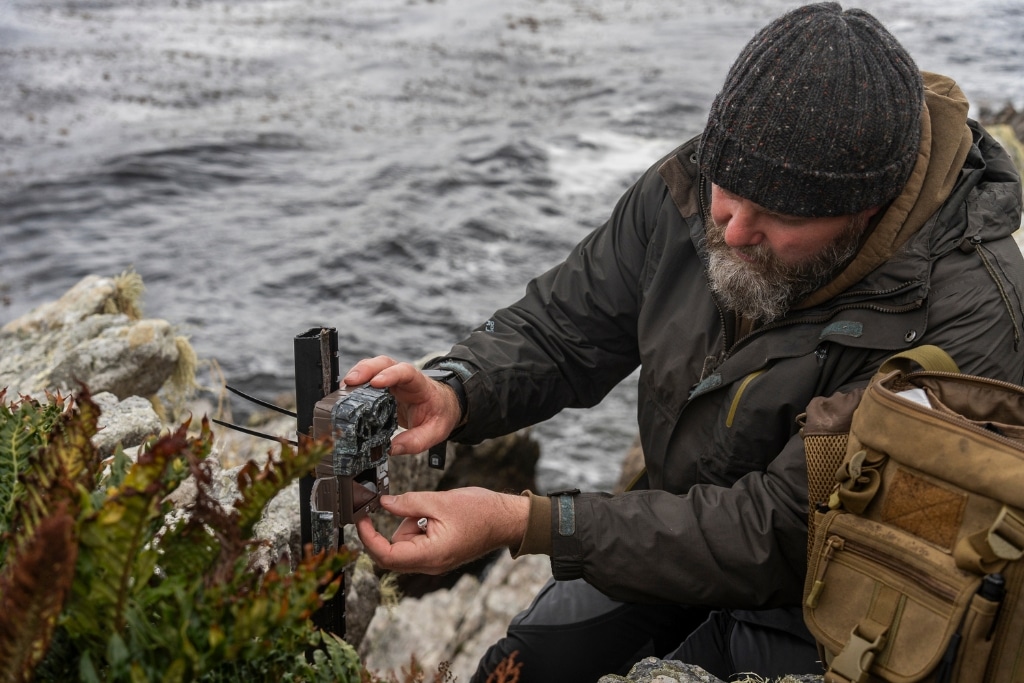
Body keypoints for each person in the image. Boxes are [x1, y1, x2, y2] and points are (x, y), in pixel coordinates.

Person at [347, 3, 1024, 680]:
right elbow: (565, 326)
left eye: (777, 213)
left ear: (865, 209)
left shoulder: (967, 320)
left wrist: (525, 523)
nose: (731, 230)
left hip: (832, 606)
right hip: (671, 528)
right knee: (519, 669)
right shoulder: (704, 180)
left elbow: (784, 531)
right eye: (729, 190)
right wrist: (457, 389)